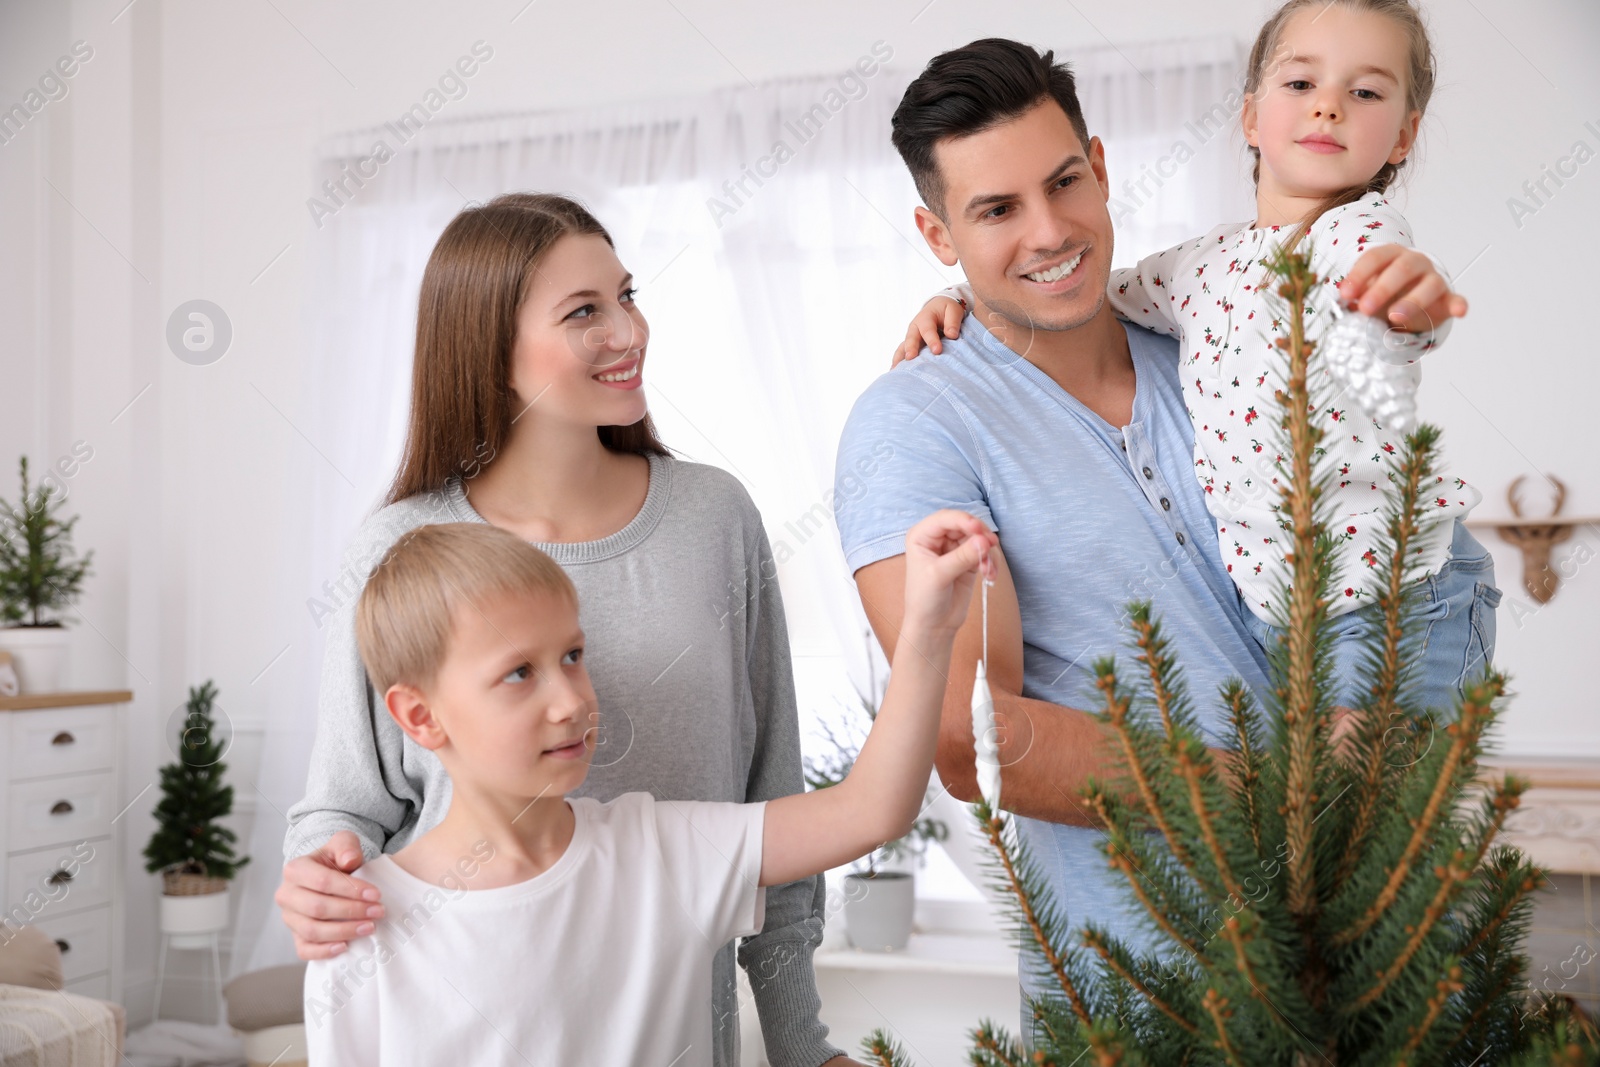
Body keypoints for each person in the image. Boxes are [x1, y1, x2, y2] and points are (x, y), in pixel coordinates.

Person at [828, 35, 1488, 1040]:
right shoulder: (914, 424)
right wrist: (1290, 807)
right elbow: (973, 734)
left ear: (1098, 166)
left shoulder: (1214, 335)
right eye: (996, 211)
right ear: (937, 233)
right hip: (1145, 1004)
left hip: (1371, 980)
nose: (1049, 232)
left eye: (1062, 184)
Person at [278, 193, 856, 1067]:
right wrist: (321, 876)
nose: (628, 332)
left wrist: (800, 1043)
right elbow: (345, 805)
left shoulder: (714, 518)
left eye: (626, 296)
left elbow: (769, 792)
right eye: (585, 312)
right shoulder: (398, 546)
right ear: (489, 350)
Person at [894, 1, 1499, 714]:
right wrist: (962, 295)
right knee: (1318, 817)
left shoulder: (1357, 235)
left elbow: (1379, 296)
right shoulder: (1198, 269)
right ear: (1250, 117)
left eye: (1364, 92)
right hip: (1288, 612)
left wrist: (1408, 303)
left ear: (1403, 136)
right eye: (1301, 84)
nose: (1329, 107)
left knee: (1354, 821)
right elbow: (1083, 287)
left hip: (1396, 590)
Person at [303, 514, 997, 1065]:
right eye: (519, 673)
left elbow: (869, 808)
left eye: (572, 656)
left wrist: (930, 628)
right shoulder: (361, 932)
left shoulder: (661, 850)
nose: (570, 701)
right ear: (420, 717)